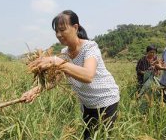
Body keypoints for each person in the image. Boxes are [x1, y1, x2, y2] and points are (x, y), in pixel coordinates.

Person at [20, 10, 120, 139]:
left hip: (106, 101)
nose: (59, 34)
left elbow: (88, 76)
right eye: (56, 31)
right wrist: (34, 91)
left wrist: (57, 61)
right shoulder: (64, 53)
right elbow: (55, 80)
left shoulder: (90, 48)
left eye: (62, 30)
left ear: (75, 27)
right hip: (88, 104)